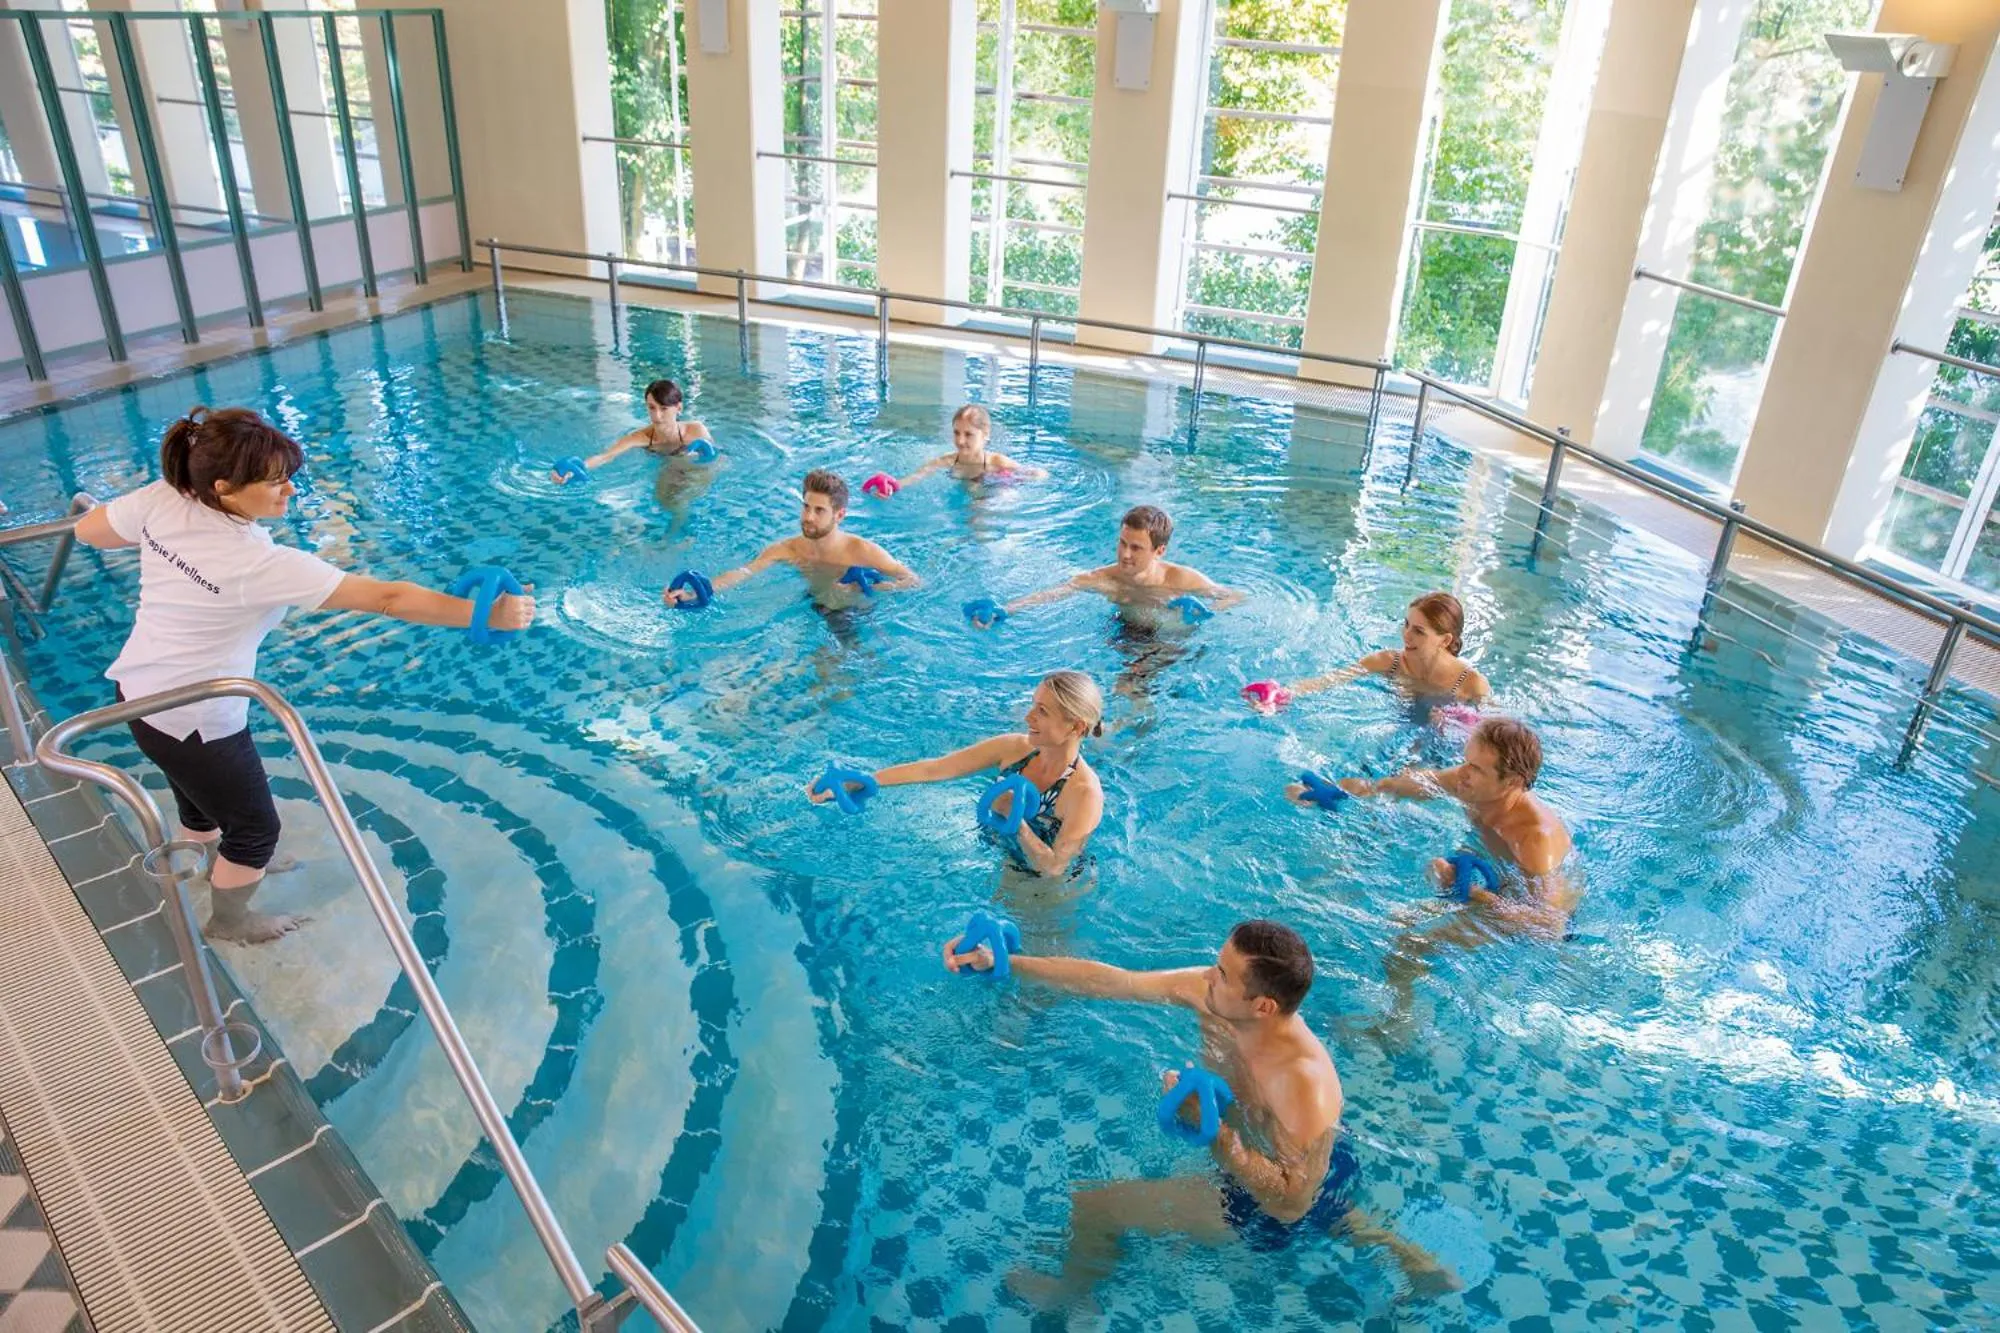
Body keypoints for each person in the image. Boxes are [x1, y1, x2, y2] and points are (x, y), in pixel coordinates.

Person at [76, 407, 536, 944]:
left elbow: (88, 529)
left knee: (196, 793)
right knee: (255, 831)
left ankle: (207, 857)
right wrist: (488, 614)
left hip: (138, 693)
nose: (290, 491)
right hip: (199, 713)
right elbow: (386, 598)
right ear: (224, 488)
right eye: (274, 482)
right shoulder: (257, 564)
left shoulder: (169, 495)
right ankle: (230, 921)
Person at [941, 919, 1453, 1308]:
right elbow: (1116, 982)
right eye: (1218, 962)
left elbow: (1288, 1204)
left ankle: (1070, 1295)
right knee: (1325, 1205)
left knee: (1096, 1206)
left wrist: (1212, 1134)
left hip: (1273, 1192)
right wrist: (1007, 963)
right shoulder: (1213, 996)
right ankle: (1408, 1257)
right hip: (1308, 1156)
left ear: (1264, 1007)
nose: (1210, 975)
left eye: (1225, 974)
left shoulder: (1301, 1082)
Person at [1294, 717, 1577, 1031]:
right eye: (1466, 761)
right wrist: (1336, 792)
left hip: (1531, 914)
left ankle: (1396, 1030)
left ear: (1511, 782)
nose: (1463, 773)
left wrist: (1473, 893)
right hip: (1490, 877)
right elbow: (1394, 786)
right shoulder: (1470, 784)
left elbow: (1550, 924)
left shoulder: (1536, 838)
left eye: (1477, 769)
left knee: (1408, 944)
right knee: (1392, 920)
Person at [809, 670, 1105, 879]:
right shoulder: (1014, 748)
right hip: (998, 851)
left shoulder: (1084, 793)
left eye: (1042, 711)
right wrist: (864, 780)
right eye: (1032, 705)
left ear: (1076, 727)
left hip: (1042, 884)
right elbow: (935, 768)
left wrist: (1016, 823)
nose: (1028, 717)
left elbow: (1054, 869)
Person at [663, 469, 917, 607]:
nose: (808, 517)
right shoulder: (788, 549)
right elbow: (744, 572)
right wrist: (696, 594)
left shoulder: (862, 552)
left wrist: (861, 590)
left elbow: (913, 581)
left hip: (854, 612)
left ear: (839, 515)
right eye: (806, 507)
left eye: (819, 511)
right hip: (811, 602)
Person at [991, 505, 1240, 623]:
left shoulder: (1181, 580)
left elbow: (1235, 597)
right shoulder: (1106, 578)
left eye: (1136, 547)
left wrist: (1205, 615)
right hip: (1124, 631)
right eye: (1122, 543)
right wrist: (1008, 609)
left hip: (1170, 643)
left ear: (1159, 551)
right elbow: (1057, 592)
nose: (1125, 554)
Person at [1260, 591, 1489, 710]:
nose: (1406, 635)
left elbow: (1493, 737)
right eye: (1406, 624)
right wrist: (1281, 693)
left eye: (1419, 631)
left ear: (1445, 640)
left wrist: (1454, 723)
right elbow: (1329, 680)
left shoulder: (1471, 683)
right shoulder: (1389, 661)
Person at [551, 378, 712, 483]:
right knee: (666, 490)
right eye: (652, 408)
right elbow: (606, 456)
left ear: (679, 408)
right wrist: (571, 473)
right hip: (665, 472)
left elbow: (715, 459)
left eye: (664, 408)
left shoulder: (696, 431)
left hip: (695, 472)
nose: (657, 415)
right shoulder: (640, 437)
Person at [879, 405, 1045, 491]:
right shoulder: (948, 461)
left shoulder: (997, 461)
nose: (960, 440)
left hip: (993, 492)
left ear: (985, 434)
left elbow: (1039, 474)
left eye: (968, 434)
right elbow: (918, 476)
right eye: (956, 433)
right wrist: (893, 486)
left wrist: (1016, 479)